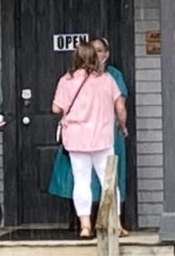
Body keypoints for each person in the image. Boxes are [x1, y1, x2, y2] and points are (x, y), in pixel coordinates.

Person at [48, 36, 129, 234]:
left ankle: (85, 225)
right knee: (109, 181)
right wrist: (123, 126)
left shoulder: (66, 80)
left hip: (76, 139)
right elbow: (120, 107)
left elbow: (56, 108)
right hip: (102, 138)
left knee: (81, 181)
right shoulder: (106, 79)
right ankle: (116, 224)